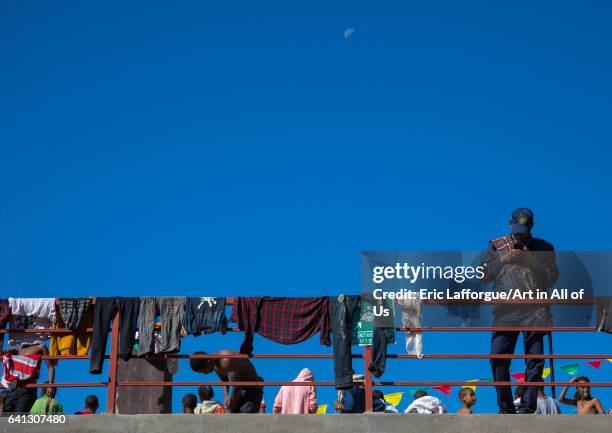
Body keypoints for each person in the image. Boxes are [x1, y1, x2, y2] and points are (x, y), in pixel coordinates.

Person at [481, 208, 559, 414]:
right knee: (498, 358)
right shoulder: (496, 245)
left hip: (535, 310)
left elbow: (552, 279)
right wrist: (501, 261)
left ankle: (527, 406)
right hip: (505, 310)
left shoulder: (544, 247)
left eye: (523, 230)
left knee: (535, 360)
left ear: (531, 226)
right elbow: (480, 275)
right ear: (509, 224)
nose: (519, 234)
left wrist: (533, 263)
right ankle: (506, 407)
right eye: (516, 229)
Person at [189, 350, 263, 413]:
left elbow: (237, 387)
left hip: (253, 389)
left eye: (204, 371)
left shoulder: (226, 360)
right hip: (241, 390)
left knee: (244, 420)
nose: (205, 373)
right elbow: (224, 381)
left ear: (208, 362)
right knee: (232, 418)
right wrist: (226, 395)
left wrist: (230, 408)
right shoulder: (214, 364)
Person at [2, 344, 56, 415]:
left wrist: (50, 384)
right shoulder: (15, 351)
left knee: (17, 421)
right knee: (4, 420)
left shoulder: (40, 347)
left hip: (28, 391)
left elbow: (50, 366)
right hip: (13, 389)